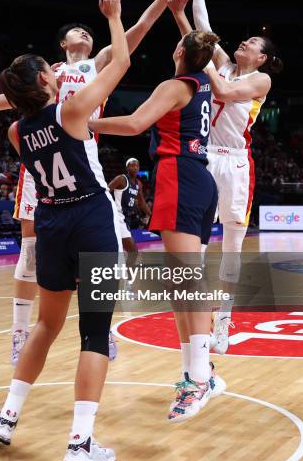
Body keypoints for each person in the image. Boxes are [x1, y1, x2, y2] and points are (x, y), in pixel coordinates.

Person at [0, 0, 189, 365]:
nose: (85, 33)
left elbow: (142, 25)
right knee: (30, 253)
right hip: (44, 161)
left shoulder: (99, 61)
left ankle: (102, 328)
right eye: (77, 31)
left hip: (82, 159)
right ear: (62, 44)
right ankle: (19, 334)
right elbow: (11, 100)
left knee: (101, 253)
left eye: (88, 31)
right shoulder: (47, 74)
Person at [0, 0, 129, 461]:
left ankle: (7, 416)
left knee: (46, 324)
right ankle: (81, 443)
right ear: (47, 78)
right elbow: (122, 62)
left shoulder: (14, 131)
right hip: (90, 218)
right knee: (93, 332)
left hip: (50, 223)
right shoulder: (71, 112)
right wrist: (114, 18)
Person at [89, 28, 226, 422]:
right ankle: (195, 373)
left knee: (186, 280)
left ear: (179, 49)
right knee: (181, 283)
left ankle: (201, 378)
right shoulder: (203, 81)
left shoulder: (176, 83)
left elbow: (134, 124)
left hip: (181, 175)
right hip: (197, 178)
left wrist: (85, 123)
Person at [167, 0, 283, 353]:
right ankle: (200, 321)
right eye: (245, 41)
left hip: (235, 163)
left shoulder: (259, 79)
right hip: (204, 157)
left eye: (252, 44)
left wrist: (202, 57)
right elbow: (204, 31)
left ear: (262, 57)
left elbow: (223, 91)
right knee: (196, 246)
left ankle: (224, 323)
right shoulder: (224, 63)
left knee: (230, 249)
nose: (244, 43)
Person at [108, 157, 151, 253]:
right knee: (133, 252)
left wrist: (151, 214)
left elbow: (141, 202)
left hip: (126, 218)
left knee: (124, 251)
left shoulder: (138, 184)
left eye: (137, 165)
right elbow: (105, 192)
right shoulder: (121, 179)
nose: (135, 167)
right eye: (132, 165)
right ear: (127, 168)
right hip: (117, 217)